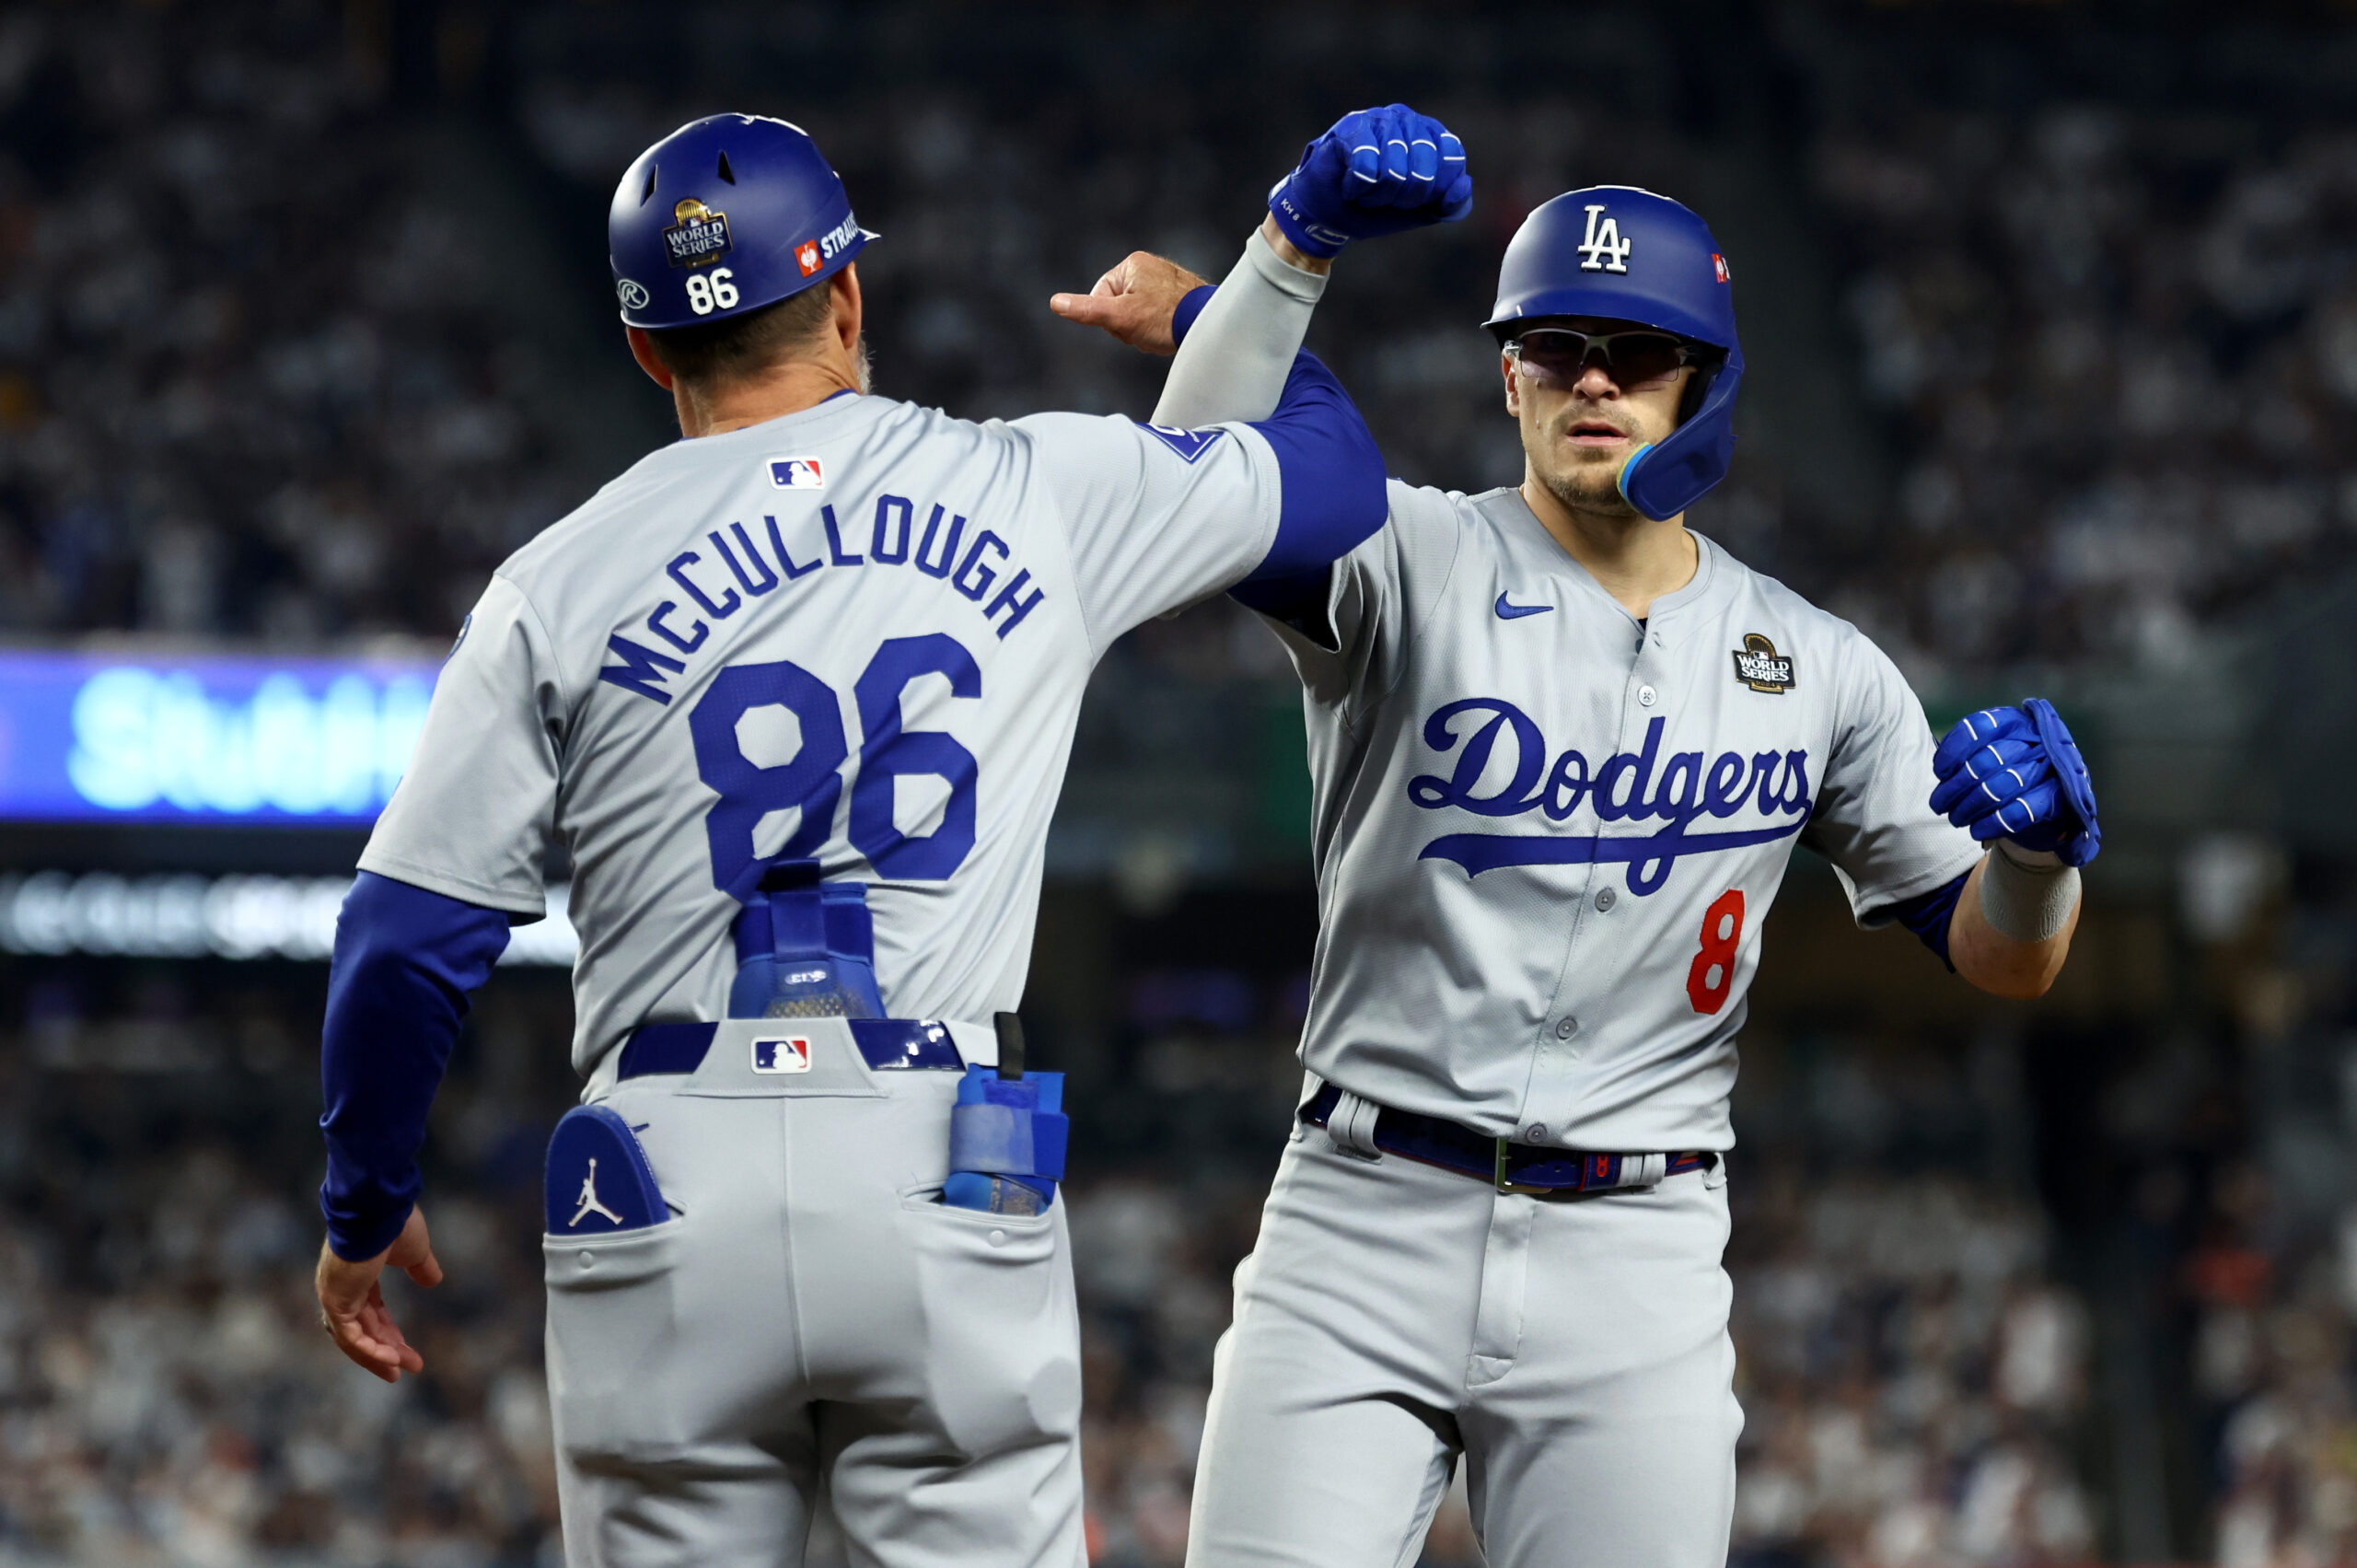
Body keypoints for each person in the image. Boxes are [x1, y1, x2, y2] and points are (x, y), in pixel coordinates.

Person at [309, 109, 1467, 1567]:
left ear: (648, 350)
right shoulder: (1038, 486)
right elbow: (1333, 486)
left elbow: (406, 940)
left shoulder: (557, 577)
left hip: (659, 1183)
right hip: (942, 1156)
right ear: (847, 296)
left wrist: (365, 1205)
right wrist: (1241, 283)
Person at [1060, 184, 2099, 1567]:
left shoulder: (1822, 665)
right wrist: (1277, 257)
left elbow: (2004, 954)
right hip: (1363, 1214)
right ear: (1509, 375)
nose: (1593, 378)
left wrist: (2034, 862)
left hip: (1636, 1256)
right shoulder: (1407, 555)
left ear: (1702, 383)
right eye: (1556, 346)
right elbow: (1204, 464)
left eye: (1636, 348)